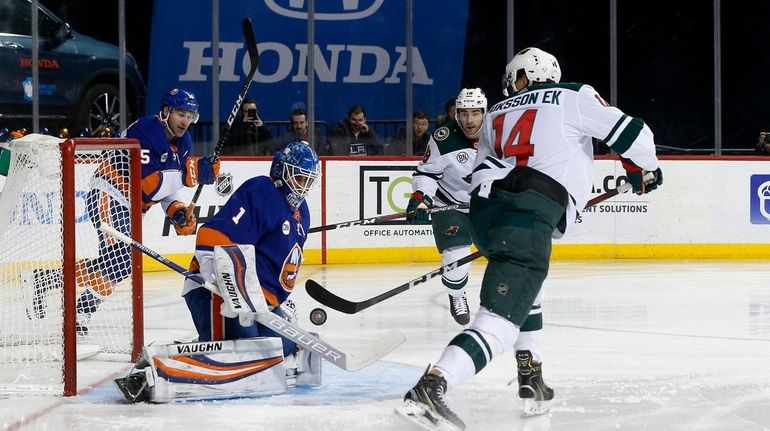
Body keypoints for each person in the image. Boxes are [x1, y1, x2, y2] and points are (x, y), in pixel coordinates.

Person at [396, 47, 663, 430]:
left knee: (529, 288)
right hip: (527, 212)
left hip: (490, 214)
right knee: (498, 322)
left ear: (522, 77)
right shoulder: (573, 95)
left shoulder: (496, 114)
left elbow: (485, 172)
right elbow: (635, 135)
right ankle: (432, 387)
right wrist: (645, 169)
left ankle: (530, 375)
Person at [114, 141, 322, 403]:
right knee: (248, 353)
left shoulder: (302, 212)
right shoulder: (262, 191)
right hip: (215, 294)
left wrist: (277, 302)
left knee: (280, 348)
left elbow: (277, 266)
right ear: (281, 171)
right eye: (299, 177)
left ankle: (213, 350)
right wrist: (225, 284)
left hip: (259, 306)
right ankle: (153, 371)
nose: (303, 186)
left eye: (308, 180)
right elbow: (213, 234)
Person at [23, 88, 220, 336]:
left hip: (134, 207)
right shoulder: (147, 130)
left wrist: (177, 211)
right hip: (110, 193)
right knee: (121, 262)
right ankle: (77, 314)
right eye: (181, 114)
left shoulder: (183, 142)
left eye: (190, 116)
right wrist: (189, 176)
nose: (186, 121)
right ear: (166, 111)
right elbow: (149, 184)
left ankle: (47, 281)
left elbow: (166, 189)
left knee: (117, 264)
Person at [407, 89, 486, 325]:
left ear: (484, 113)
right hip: (449, 203)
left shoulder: (499, 133)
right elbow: (427, 173)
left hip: (487, 205)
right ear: (456, 114)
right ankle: (457, 295)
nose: (470, 120)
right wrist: (421, 197)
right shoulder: (444, 137)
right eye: (464, 114)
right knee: (457, 255)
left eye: (475, 113)